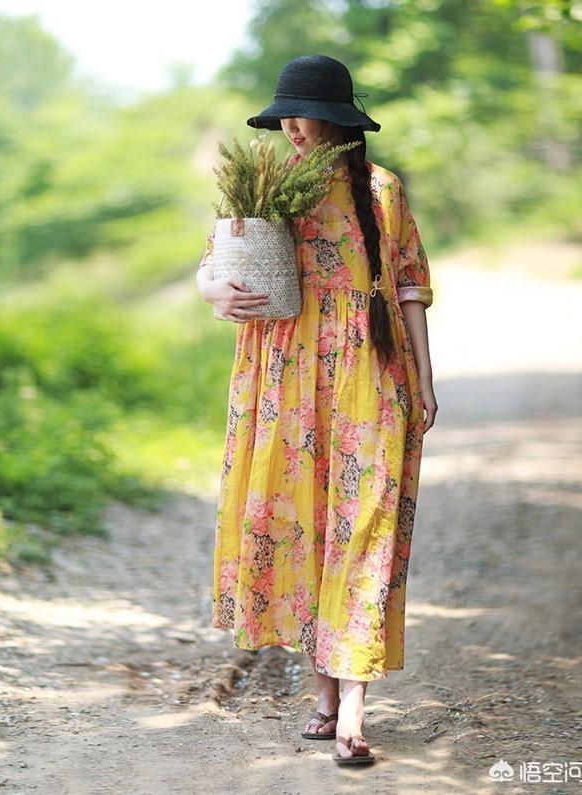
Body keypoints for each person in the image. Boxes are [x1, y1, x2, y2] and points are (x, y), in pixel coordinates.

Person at [196, 54, 438, 765]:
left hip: (369, 380)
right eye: (284, 117)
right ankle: (323, 696)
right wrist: (214, 292)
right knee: (301, 527)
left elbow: (412, 288)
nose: (292, 128)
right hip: (282, 385)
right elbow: (216, 259)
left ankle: (355, 713)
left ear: (338, 120)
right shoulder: (271, 187)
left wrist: (423, 378)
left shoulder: (381, 190)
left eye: (304, 115)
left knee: (362, 530)